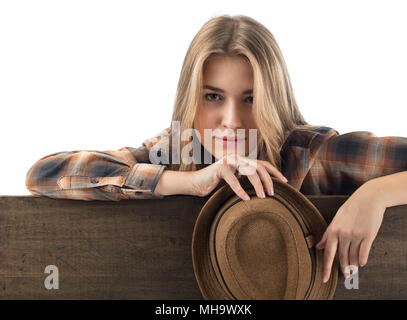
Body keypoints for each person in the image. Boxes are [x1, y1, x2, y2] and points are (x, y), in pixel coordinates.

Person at [25, 14, 407, 287]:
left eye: (251, 99)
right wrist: (186, 182)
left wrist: (374, 194)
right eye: (213, 97)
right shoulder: (176, 149)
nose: (231, 120)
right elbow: (44, 174)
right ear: (191, 99)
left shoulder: (311, 153)